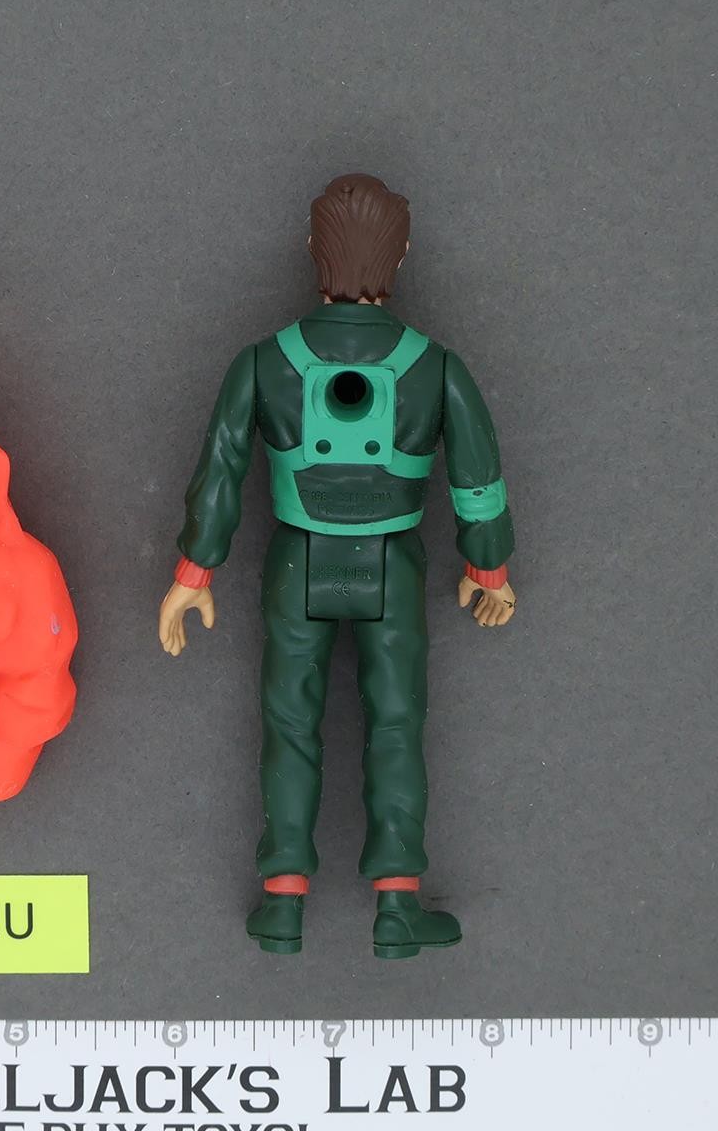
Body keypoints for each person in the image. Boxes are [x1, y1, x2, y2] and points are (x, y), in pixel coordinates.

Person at [158, 174, 516, 958]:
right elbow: (478, 479)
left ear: (312, 250)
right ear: (403, 254)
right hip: (395, 567)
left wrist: (195, 574)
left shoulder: (264, 362)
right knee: (397, 725)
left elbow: (219, 471)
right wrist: (487, 568)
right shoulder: (436, 366)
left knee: (289, 724)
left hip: (298, 563)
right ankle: (397, 906)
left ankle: (282, 902)